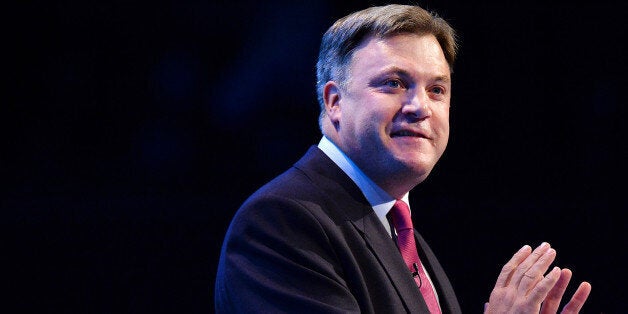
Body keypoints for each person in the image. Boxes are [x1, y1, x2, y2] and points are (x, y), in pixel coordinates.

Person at [214, 4, 591, 313]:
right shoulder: (281, 222)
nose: (419, 107)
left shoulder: (396, 229)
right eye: (394, 83)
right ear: (335, 102)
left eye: (437, 89)